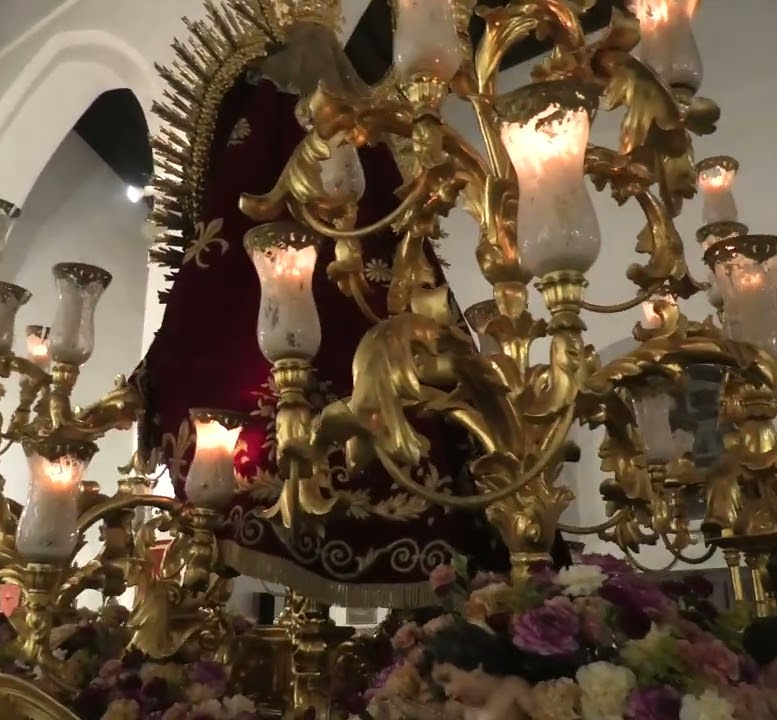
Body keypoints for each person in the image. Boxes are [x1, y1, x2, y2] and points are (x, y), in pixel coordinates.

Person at [132, 10, 551, 610]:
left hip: (367, 304)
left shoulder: (360, 149)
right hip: (289, 323)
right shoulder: (264, 128)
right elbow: (224, 247)